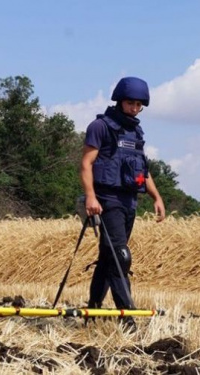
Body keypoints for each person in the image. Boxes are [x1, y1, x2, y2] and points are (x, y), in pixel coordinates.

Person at [80, 76, 165, 331]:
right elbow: (86, 164)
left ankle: (92, 309)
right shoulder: (100, 127)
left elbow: (143, 170)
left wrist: (157, 197)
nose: (135, 108)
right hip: (107, 201)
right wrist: (91, 197)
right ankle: (127, 318)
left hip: (129, 202)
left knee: (108, 258)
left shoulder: (136, 131)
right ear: (119, 100)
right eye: (131, 103)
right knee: (121, 256)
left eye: (139, 104)